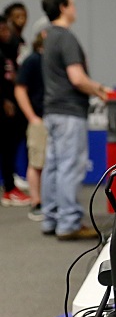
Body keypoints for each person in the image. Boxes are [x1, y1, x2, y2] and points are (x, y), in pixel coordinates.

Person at [41, 0, 108, 240]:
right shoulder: (66, 38)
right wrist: (98, 89)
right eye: (72, 4)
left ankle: (51, 218)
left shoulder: (48, 37)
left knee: (54, 166)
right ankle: (68, 223)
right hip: (69, 111)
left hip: (52, 110)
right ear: (62, 7)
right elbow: (77, 78)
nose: (75, 8)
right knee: (70, 166)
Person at [14, 26, 49, 220]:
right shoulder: (33, 60)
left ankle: (50, 202)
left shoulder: (53, 61)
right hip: (39, 118)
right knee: (36, 162)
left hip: (54, 118)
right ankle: (36, 202)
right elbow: (20, 89)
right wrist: (32, 117)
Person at [0, 17, 30, 206]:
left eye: (6, 29)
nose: (6, 33)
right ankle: (9, 189)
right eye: (2, 30)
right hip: (4, 106)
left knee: (9, 148)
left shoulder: (8, 51)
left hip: (11, 106)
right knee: (6, 148)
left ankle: (11, 188)